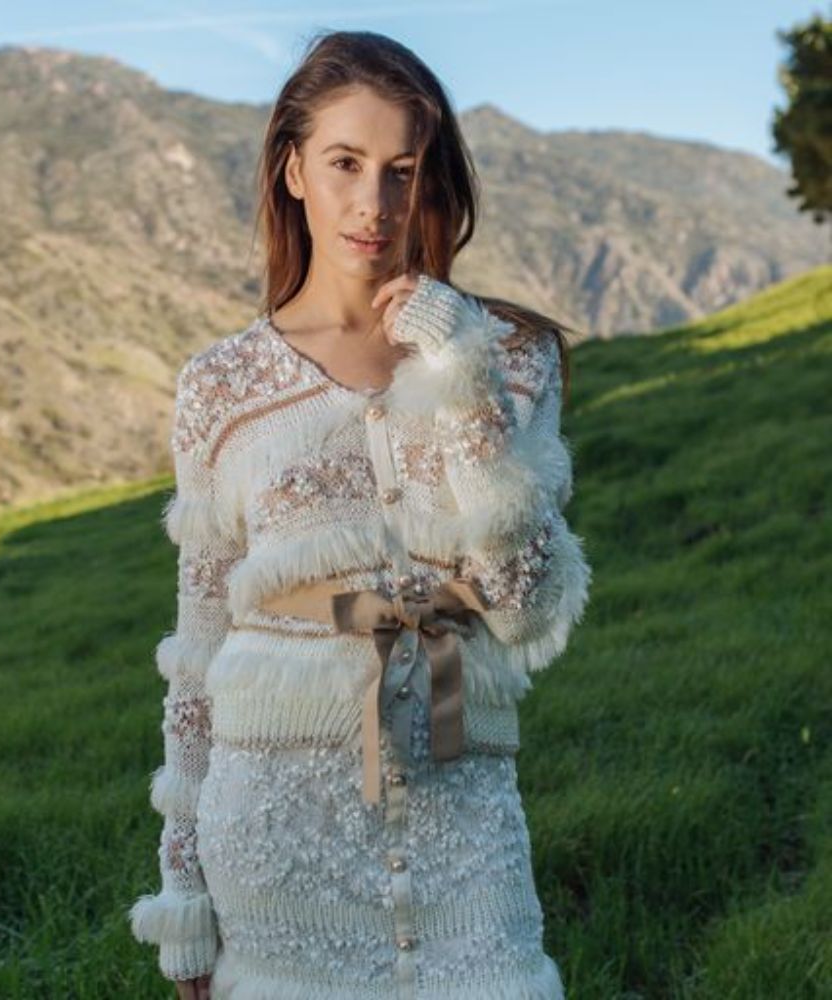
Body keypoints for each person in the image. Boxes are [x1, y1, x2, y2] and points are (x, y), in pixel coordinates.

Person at [129, 28, 592, 1000]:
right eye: (345, 163)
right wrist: (184, 894)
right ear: (293, 168)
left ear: (431, 184)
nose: (372, 203)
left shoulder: (507, 356)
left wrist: (456, 372)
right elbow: (198, 650)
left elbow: (525, 601)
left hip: (459, 802)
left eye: (402, 170)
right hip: (274, 833)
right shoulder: (219, 387)